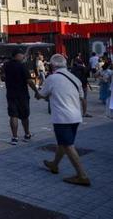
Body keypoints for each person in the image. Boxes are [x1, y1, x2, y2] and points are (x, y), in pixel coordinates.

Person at [37, 54, 90, 186]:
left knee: (67, 145)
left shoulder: (52, 78)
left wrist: (38, 95)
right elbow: (82, 97)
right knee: (64, 142)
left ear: (53, 66)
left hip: (62, 118)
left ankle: (82, 175)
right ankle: (54, 164)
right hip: (75, 117)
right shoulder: (75, 78)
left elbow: (42, 95)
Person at [3, 49, 39, 145]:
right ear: (17, 55)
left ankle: (14, 137)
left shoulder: (7, 65)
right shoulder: (22, 66)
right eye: (22, 55)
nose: (23, 57)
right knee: (24, 115)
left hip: (11, 94)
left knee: (13, 115)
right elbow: (29, 81)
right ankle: (27, 134)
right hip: (22, 94)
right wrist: (36, 91)